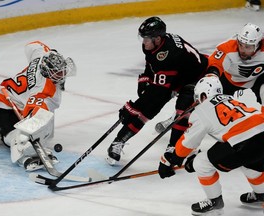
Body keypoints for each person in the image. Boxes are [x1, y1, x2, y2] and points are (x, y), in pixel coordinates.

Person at [106, 16, 209, 165]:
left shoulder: (170, 53)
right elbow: (152, 64)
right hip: (175, 76)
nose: (144, 42)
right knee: (148, 110)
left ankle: (174, 148)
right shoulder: (153, 45)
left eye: (147, 38)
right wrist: (145, 78)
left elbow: (157, 91)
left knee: (183, 111)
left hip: (196, 78)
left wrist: (134, 107)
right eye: (143, 38)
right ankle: (119, 141)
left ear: (158, 39)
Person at [158, 76, 264, 215]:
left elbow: (187, 143)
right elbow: (231, 133)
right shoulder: (231, 99)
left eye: (197, 99)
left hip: (243, 143)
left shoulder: (202, 109)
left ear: (203, 95)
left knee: (202, 163)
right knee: (250, 162)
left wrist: (172, 160)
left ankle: (214, 201)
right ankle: (261, 193)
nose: (196, 103)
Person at [0, 40, 76, 171]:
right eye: (58, 73)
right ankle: (23, 158)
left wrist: (51, 53)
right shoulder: (43, 90)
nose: (62, 74)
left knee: (45, 124)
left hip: (6, 96)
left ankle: (33, 146)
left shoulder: (42, 56)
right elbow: (31, 115)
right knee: (18, 137)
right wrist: (26, 135)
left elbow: (32, 45)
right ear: (48, 72)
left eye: (62, 70)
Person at [155, 22, 264, 132]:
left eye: (248, 47)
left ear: (258, 44)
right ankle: (177, 117)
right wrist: (212, 77)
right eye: (240, 44)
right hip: (229, 78)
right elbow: (214, 63)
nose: (242, 50)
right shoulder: (228, 47)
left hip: (258, 78)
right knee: (203, 96)